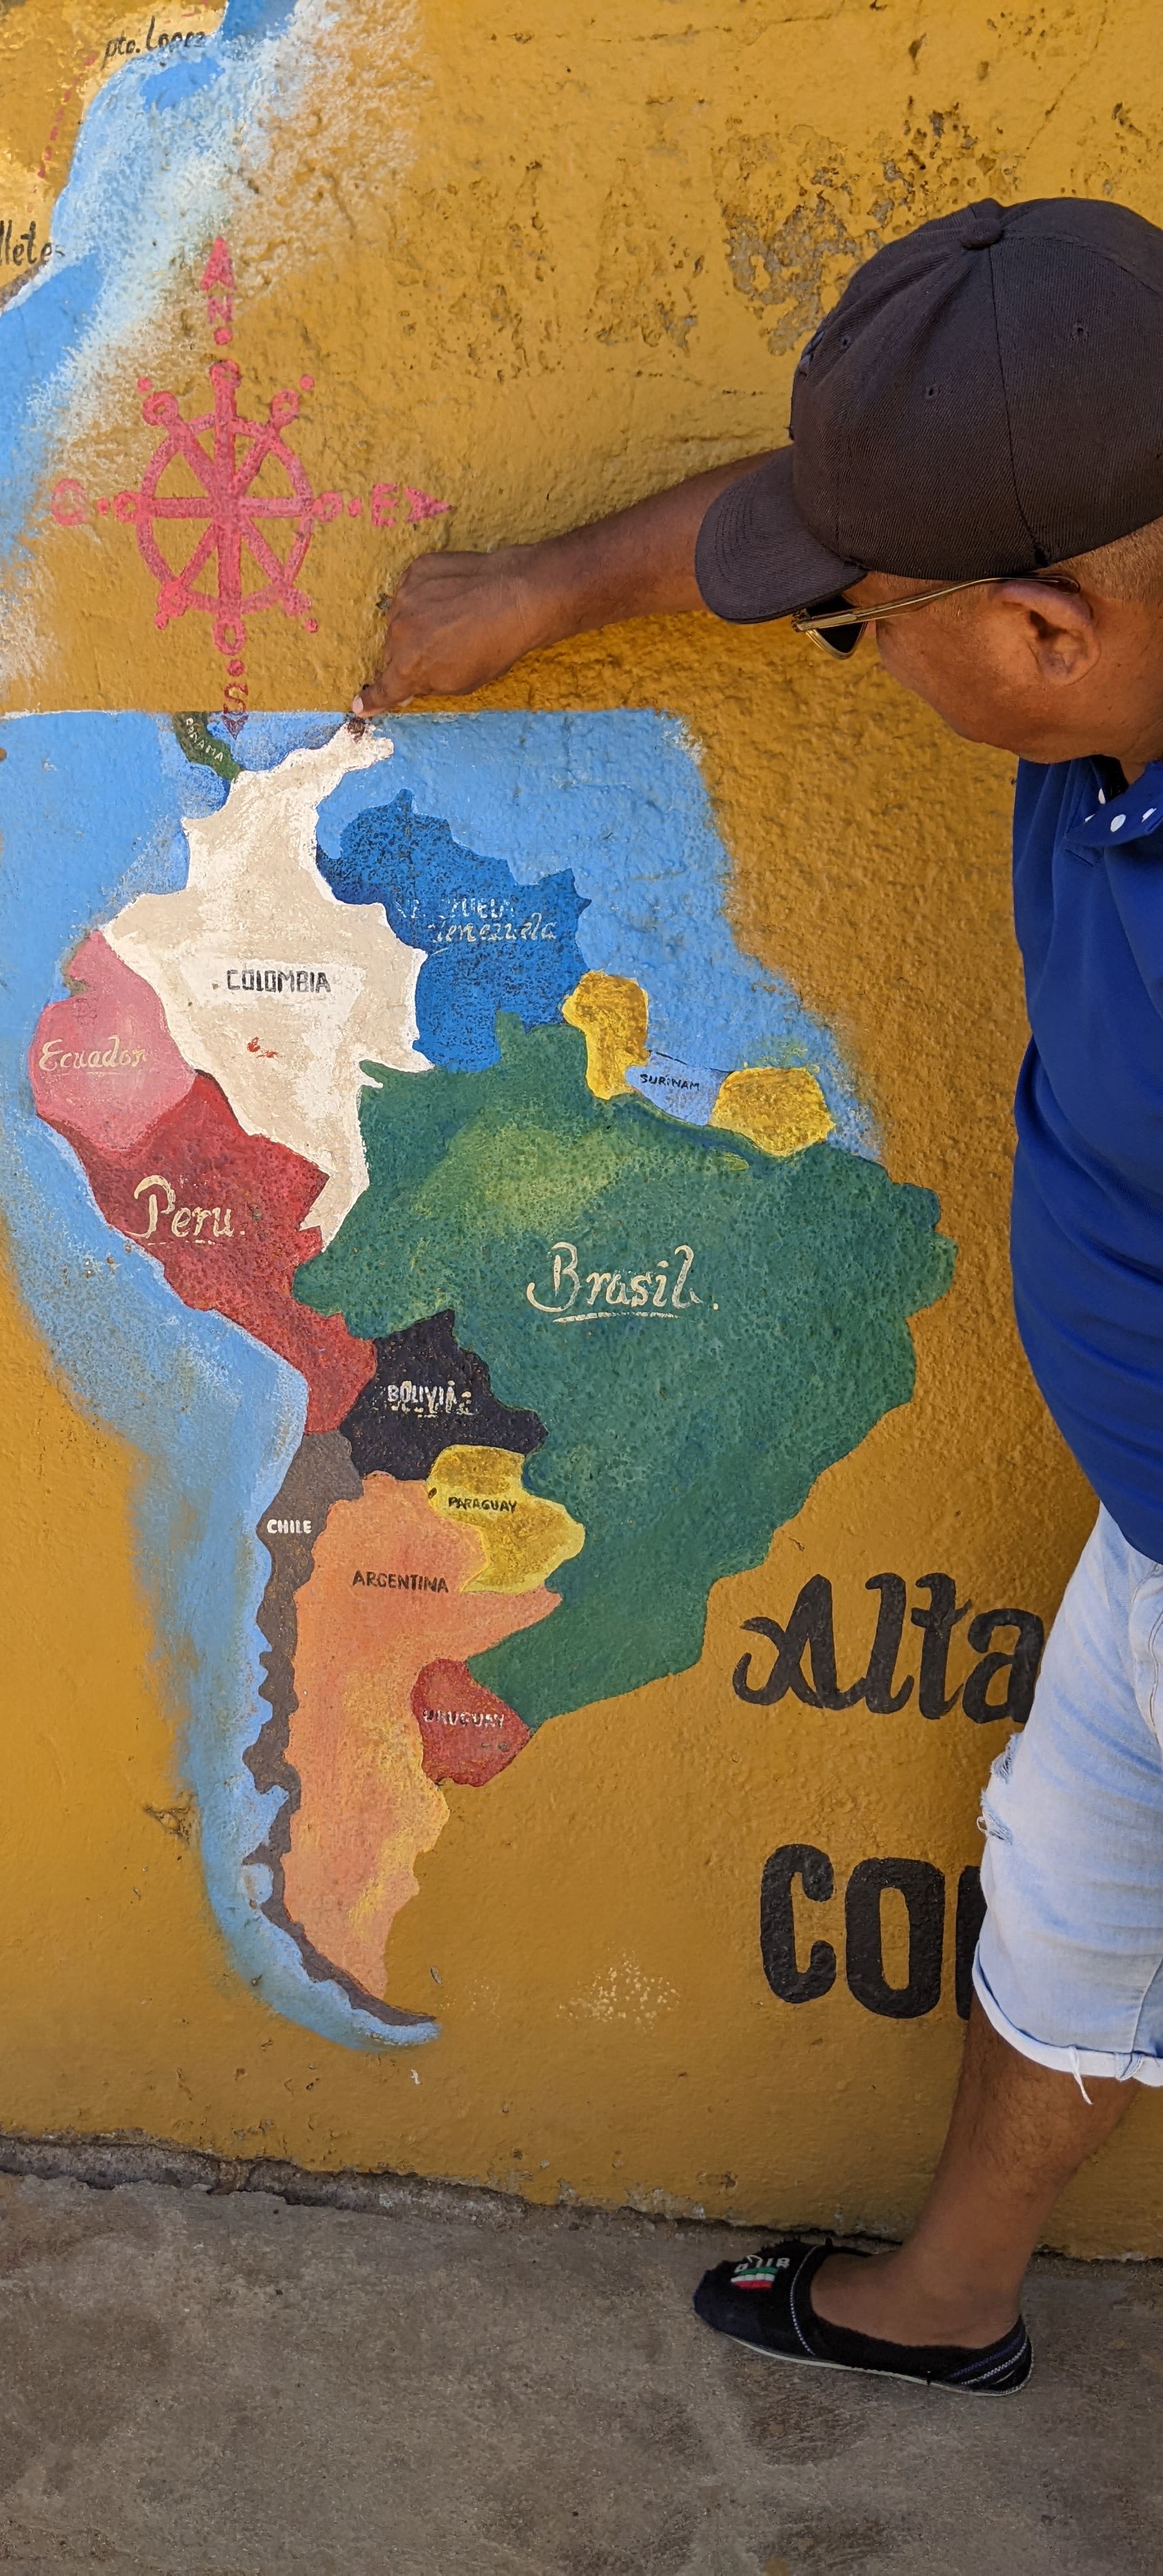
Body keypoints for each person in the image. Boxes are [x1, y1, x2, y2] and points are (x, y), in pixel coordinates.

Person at [358, 195, 1163, 2395]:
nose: (859, 653)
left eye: (872, 628)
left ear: (1048, 627)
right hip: (1152, 1532)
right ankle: (951, 2300)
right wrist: (535, 591)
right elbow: (794, 519)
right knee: (1074, 1876)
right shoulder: (1108, 546)